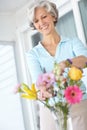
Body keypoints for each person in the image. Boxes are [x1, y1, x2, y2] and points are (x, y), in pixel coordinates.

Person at [26, 0, 87, 130]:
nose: (41, 23)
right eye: (36, 21)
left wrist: (66, 63)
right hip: (50, 107)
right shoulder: (33, 54)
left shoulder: (72, 42)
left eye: (44, 17)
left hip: (78, 101)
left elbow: (85, 59)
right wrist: (43, 91)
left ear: (53, 16)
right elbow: (38, 80)